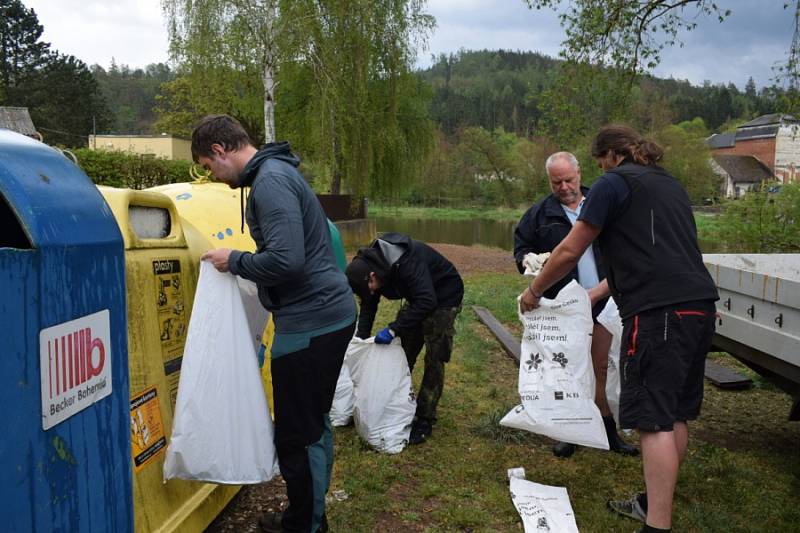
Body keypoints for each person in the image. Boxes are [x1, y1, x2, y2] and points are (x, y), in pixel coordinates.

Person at [519, 125, 719, 533]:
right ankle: (654, 500)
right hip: (699, 306)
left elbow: (572, 247)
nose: (599, 171)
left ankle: (656, 524)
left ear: (610, 156)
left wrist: (535, 290)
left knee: (654, 420)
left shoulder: (612, 184)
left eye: (597, 164)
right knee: (676, 413)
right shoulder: (668, 183)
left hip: (659, 312)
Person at [195, 115, 355, 533]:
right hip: (321, 314)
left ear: (219, 150)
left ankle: (305, 525)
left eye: (209, 168)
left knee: (297, 436)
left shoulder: (269, 182)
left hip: (310, 322)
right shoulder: (274, 174)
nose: (213, 177)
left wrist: (236, 261)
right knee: (311, 425)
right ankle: (308, 517)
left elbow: (286, 260)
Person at [514, 151, 638, 458]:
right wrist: (526, 260)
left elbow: (626, 246)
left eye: (569, 179)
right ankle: (570, 431)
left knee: (598, 367)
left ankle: (609, 432)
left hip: (603, 300)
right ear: (549, 181)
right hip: (562, 305)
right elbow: (522, 248)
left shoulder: (603, 199)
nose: (564, 187)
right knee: (566, 368)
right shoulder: (539, 213)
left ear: (580, 174)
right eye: (557, 182)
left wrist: (599, 292)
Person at [345, 232, 464, 445]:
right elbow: (369, 305)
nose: (370, 293)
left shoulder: (406, 261)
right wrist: (360, 341)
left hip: (443, 296)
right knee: (403, 352)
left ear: (373, 276)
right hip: (419, 295)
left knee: (434, 357)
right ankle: (396, 403)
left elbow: (427, 301)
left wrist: (393, 329)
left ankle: (425, 417)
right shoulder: (368, 267)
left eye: (369, 288)